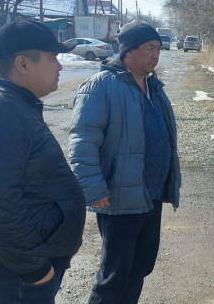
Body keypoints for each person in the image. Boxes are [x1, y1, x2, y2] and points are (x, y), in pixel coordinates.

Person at [0, 20, 86, 304]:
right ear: (23, 64)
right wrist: (37, 271)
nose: (60, 66)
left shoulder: (11, 106)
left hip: (14, 273)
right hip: (12, 277)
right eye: (52, 58)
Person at [68, 21, 182, 304]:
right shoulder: (101, 86)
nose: (156, 54)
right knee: (114, 277)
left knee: (141, 267)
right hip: (119, 197)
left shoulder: (154, 86)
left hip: (150, 195)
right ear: (129, 51)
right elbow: (83, 142)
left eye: (158, 48)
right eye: (150, 48)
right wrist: (94, 189)